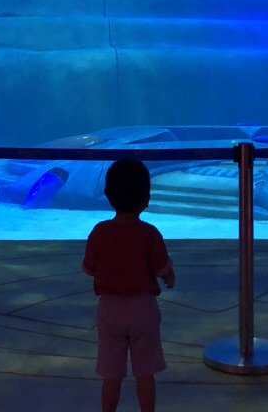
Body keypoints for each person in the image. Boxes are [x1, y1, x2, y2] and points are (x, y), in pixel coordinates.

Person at [83, 158, 175, 412]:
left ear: (107, 195)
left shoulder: (99, 232)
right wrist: (170, 278)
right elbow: (163, 269)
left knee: (111, 374)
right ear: (146, 198)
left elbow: (89, 267)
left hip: (110, 309)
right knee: (145, 373)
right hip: (142, 308)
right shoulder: (150, 233)